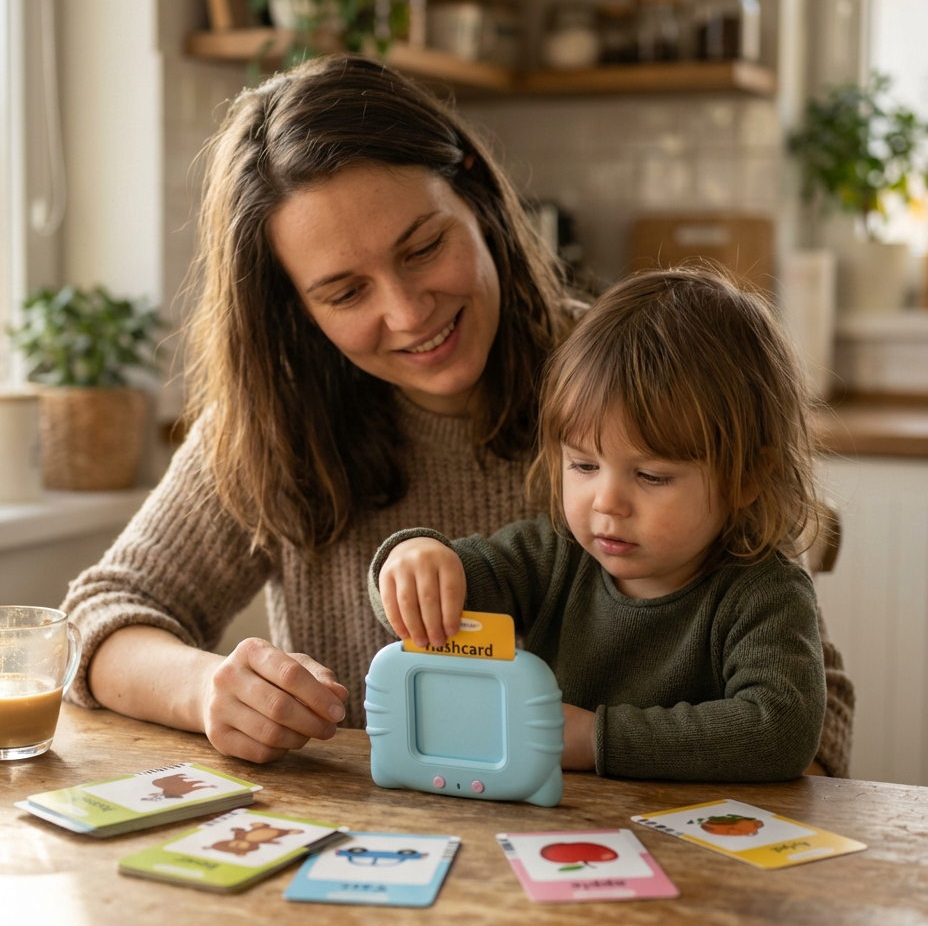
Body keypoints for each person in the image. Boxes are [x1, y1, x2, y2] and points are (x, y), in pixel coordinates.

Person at [61, 55, 853, 775]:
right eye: (345, 292)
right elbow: (96, 619)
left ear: (475, 195)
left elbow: (813, 716)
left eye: (421, 249)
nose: (408, 314)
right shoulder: (273, 428)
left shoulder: (633, 383)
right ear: (293, 310)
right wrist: (207, 689)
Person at [369, 268, 830, 781]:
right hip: (559, 821)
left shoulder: (766, 594)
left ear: (746, 478)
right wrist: (411, 559)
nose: (607, 502)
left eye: (652, 476)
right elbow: (438, 594)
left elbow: (780, 731)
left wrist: (596, 739)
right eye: (584, 465)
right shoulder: (553, 556)